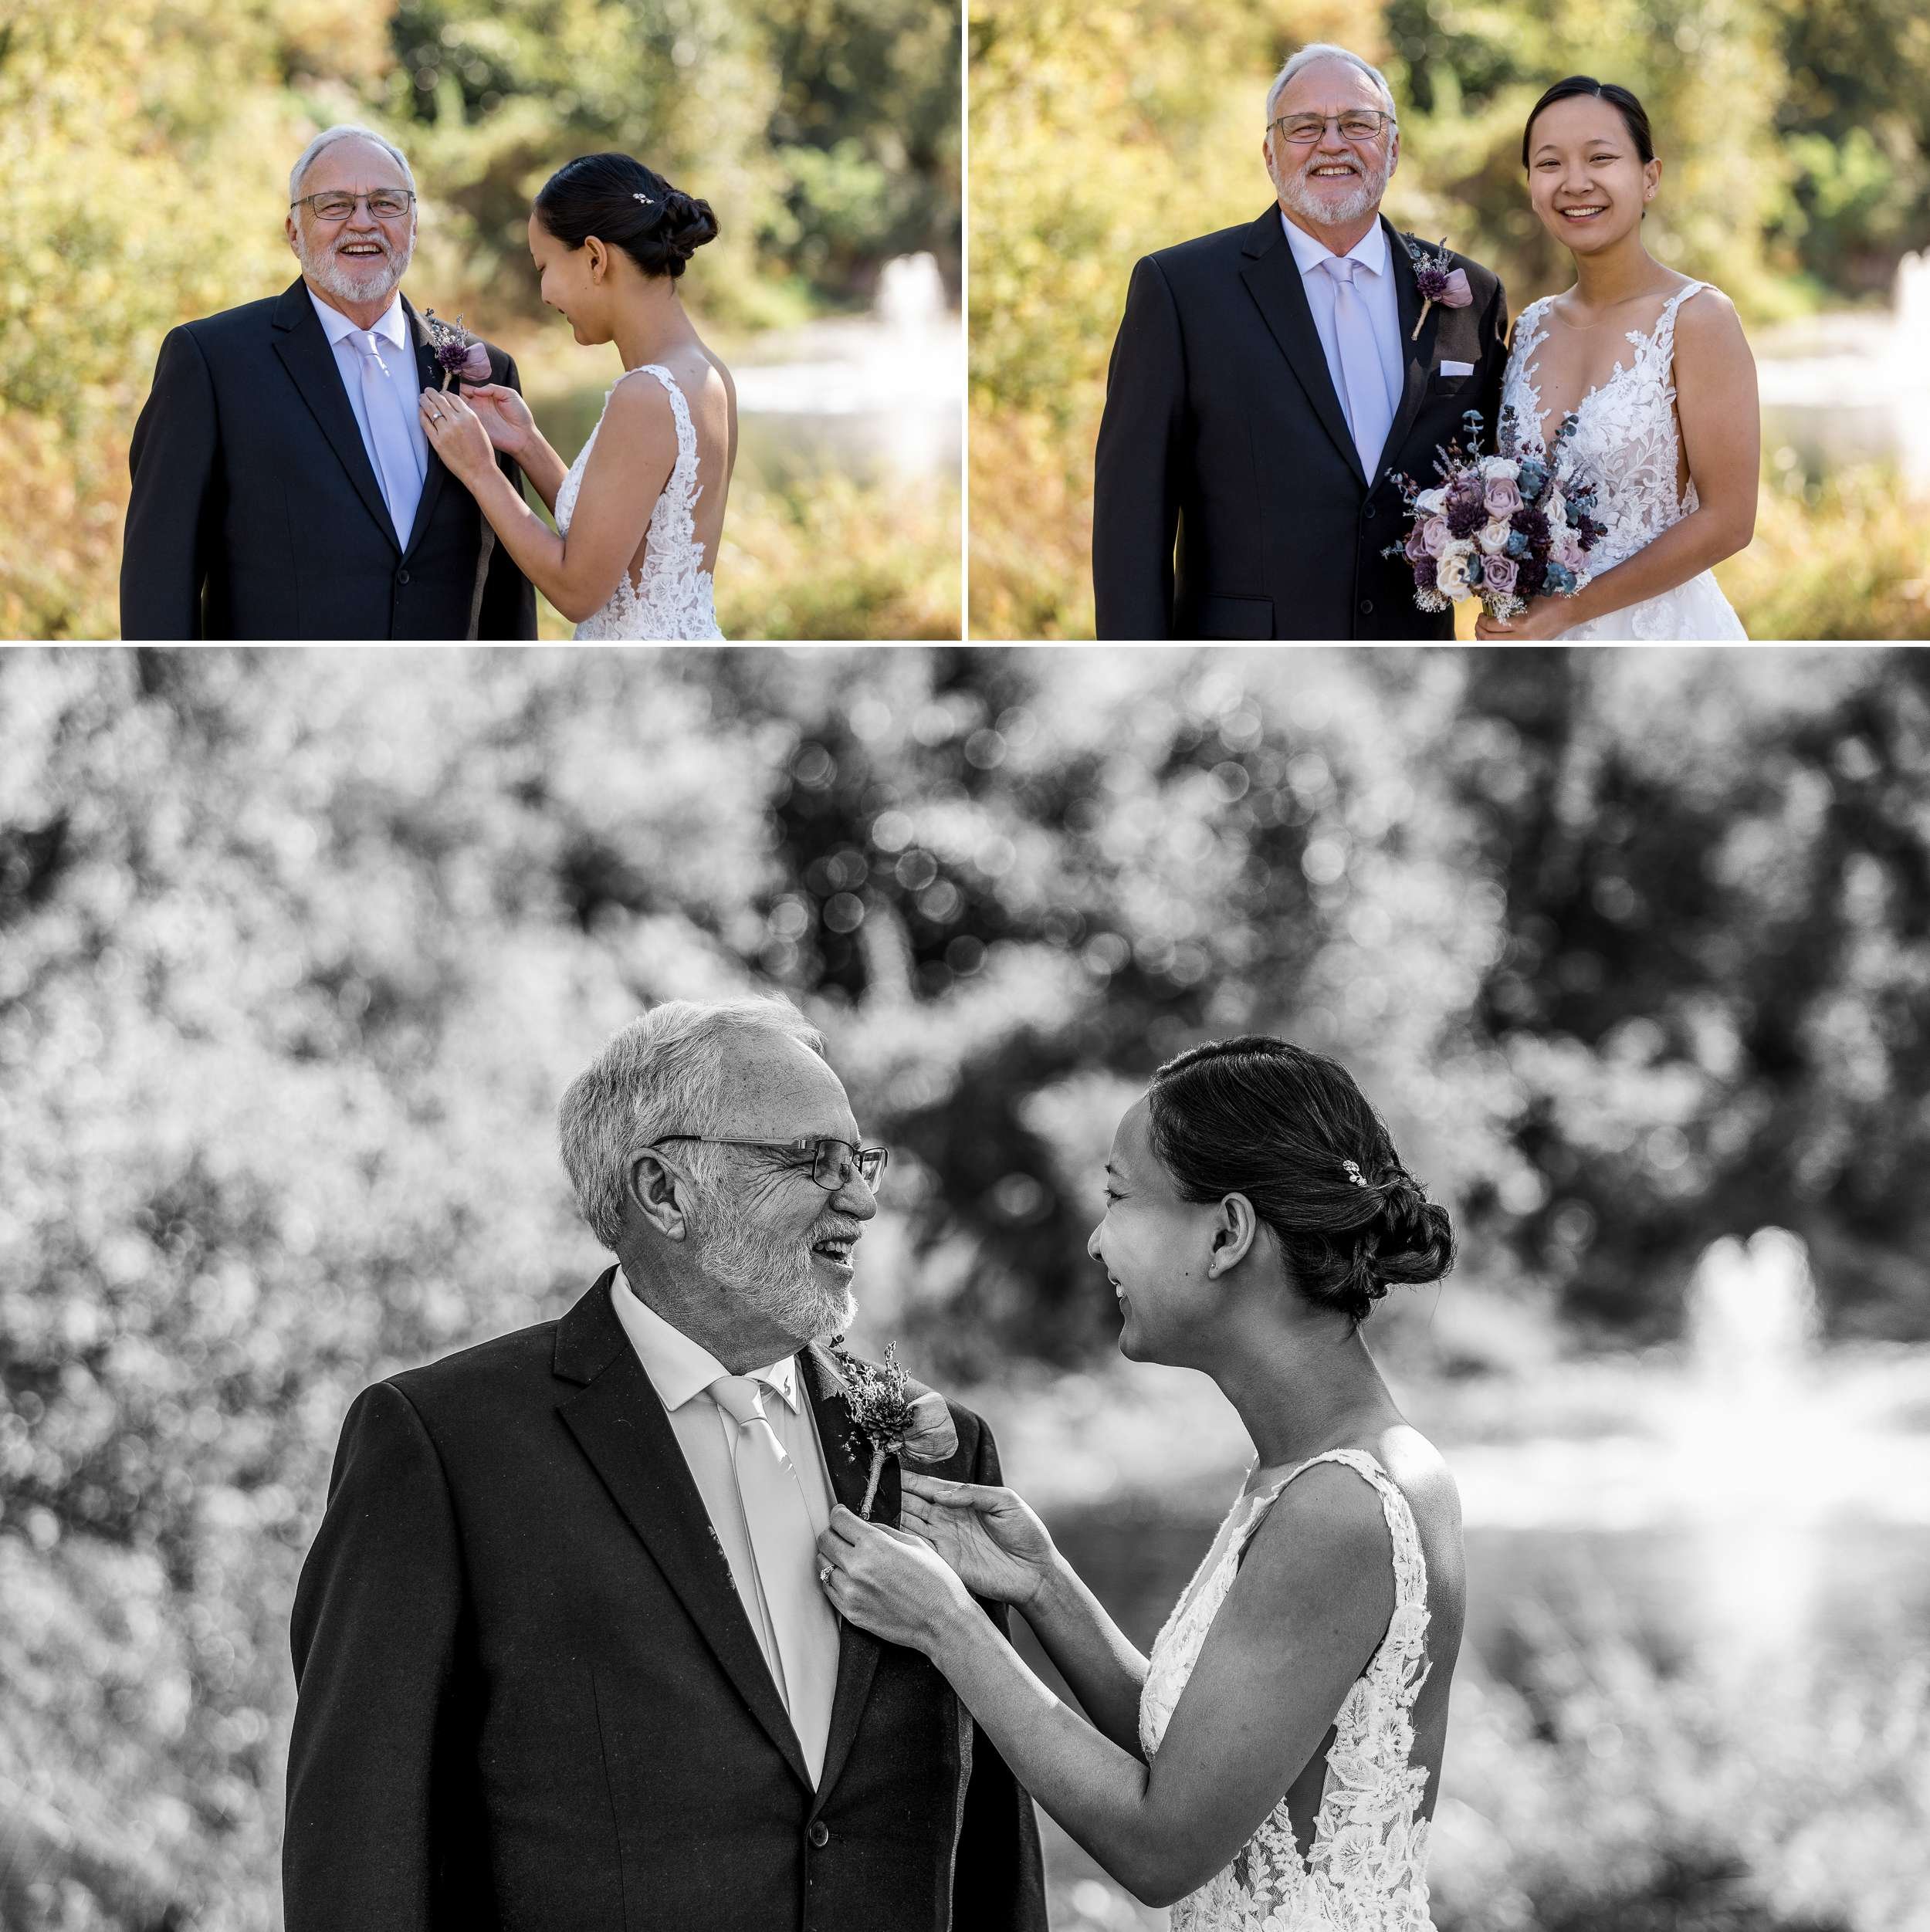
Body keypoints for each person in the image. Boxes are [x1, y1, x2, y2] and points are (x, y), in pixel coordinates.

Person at [283, 997, 1046, 1932]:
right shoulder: (442, 1446)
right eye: (815, 1161)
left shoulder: (935, 1450)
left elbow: (996, 1868)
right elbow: (362, 1853)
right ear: (665, 1190)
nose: (862, 1197)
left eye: (861, 1159)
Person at [818, 1036, 1464, 1930]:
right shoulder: (1318, 1471)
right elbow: (1203, 1764)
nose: (1094, 1239)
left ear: (1226, 1232)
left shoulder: (1343, 1506)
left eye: (1118, 1197)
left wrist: (948, 1627)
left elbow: (1161, 1847)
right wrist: (1043, 1580)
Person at [1091, 44, 1510, 640]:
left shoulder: (1471, 295)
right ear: (1269, 154)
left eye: (1359, 124)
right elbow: (1131, 523)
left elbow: (1502, 482)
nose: (1332, 143)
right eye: (1304, 127)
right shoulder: (1180, 291)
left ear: (1393, 148)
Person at [120, 123, 537, 639]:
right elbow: (159, 575)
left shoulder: (483, 371)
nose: (362, 223)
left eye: (386, 204)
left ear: (413, 224)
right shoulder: (210, 362)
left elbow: (505, 582)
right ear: (294, 232)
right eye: (334, 205)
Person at [1475, 77, 1756, 640]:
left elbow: (1729, 522)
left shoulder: (1698, 318)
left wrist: (1573, 610)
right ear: (1530, 184)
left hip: (1662, 637)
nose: (1576, 183)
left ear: (1649, 177)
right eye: (1550, 164)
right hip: (1532, 641)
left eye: (1601, 158)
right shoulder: (1527, 328)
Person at [418, 153, 734, 639]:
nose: (544, 294)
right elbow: (620, 540)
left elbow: (578, 590)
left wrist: (480, 471)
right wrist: (527, 444)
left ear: (594, 257)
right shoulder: (708, 374)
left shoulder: (646, 395)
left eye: (544, 266)